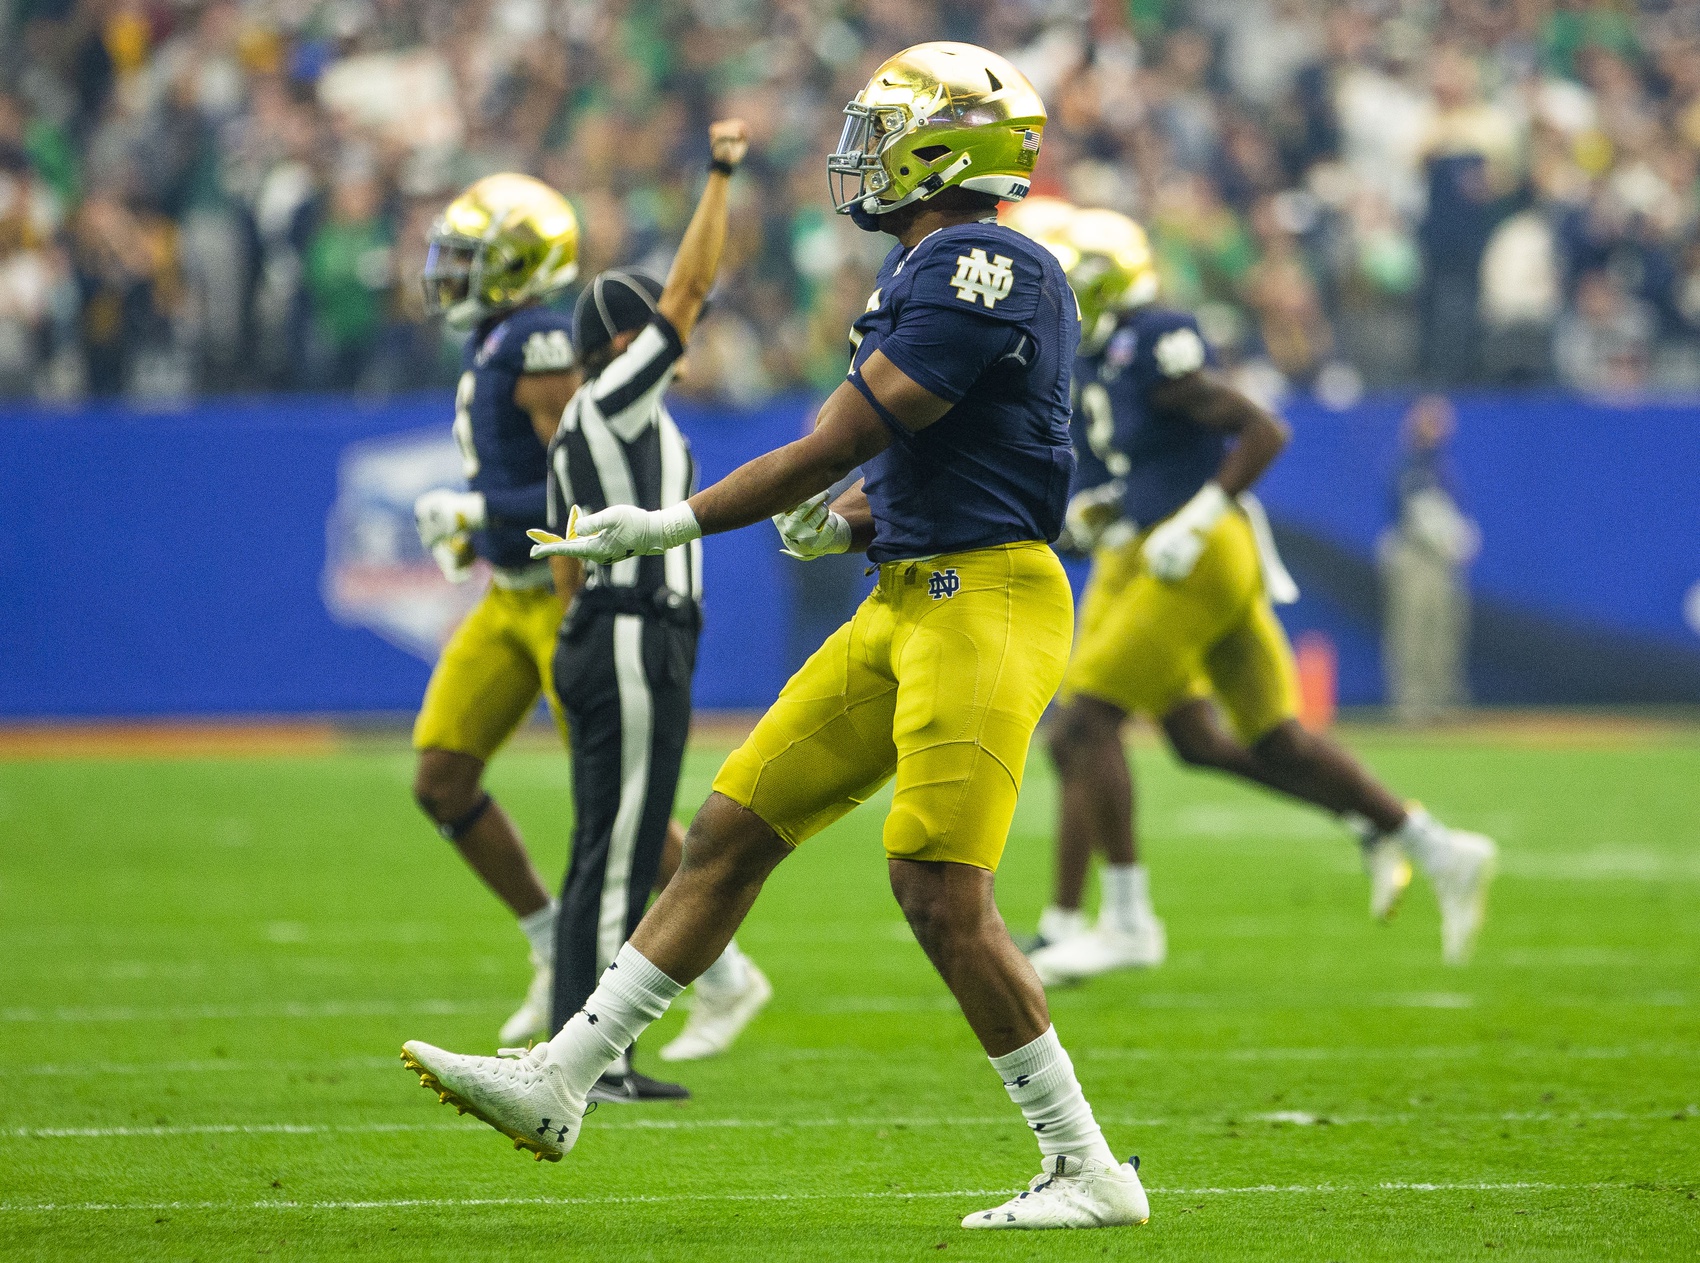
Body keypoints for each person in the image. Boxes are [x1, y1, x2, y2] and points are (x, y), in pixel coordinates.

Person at [403, 43, 1151, 1232]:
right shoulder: (936, 265)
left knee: (937, 890)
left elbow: (846, 433)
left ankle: (1087, 1168)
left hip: (987, 599)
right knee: (728, 831)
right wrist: (849, 517)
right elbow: (909, 451)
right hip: (908, 594)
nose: (859, 157)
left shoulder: (981, 262)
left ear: (944, 148)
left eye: (883, 133)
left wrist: (673, 520)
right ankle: (561, 1079)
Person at [1004, 205, 1496, 987]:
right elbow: (1128, 466)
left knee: (1081, 729)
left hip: (1195, 554)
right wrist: (1107, 510)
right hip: (1162, 547)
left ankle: (1127, 921)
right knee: (1253, 739)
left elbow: (1261, 429)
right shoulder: (1096, 357)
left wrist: (1195, 516)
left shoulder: (1150, 340)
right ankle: (1427, 840)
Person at [408, 175, 754, 1067]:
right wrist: (476, 521)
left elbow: (579, 474)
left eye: (468, 259)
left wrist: (475, 513)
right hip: (509, 596)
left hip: (561, 591)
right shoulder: (500, 339)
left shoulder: (537, 341)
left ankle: (718, 968)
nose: (447, 275)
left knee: (619, 806)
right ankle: (551, 941)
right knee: (444, 772)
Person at [535, 120, 771, 1087]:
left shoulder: (599, 424)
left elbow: (559, 566)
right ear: (622, 345)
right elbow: (689, 293)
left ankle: (581, 1046)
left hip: (614, 630)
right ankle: (594, 1056)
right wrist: (716, 171)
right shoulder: (612, 401)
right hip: (635, 631)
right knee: (625, 850)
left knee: (613, 841)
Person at [1379, 395, 1478, 725]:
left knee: (1443, 631)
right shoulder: (1410, 463)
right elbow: (1414, 512)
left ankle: (1441, 703)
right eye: (1430, 421)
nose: (1438, 429)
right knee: (1412, 631)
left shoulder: (1441, 465)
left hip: (1442, 560)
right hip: (1414, 556)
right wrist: (1449, 538)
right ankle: (1411, 706)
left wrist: (1462, 536)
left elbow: (1452, 510)